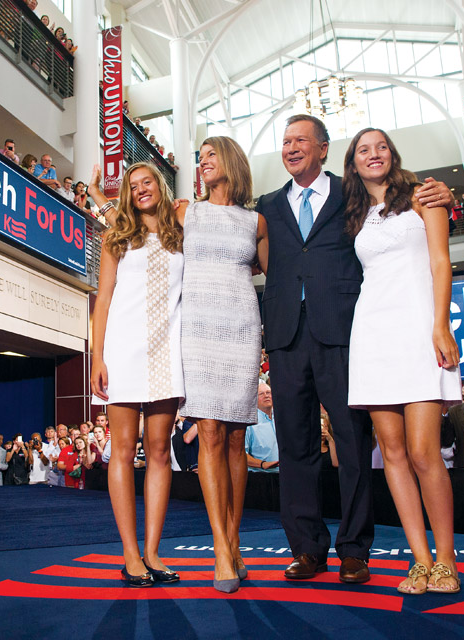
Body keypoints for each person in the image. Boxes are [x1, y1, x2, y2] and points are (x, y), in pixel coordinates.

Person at [254, 114, 452, 586]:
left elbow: (417, 216)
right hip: (285, 336)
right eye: (285, 141)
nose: (291, 147)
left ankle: (354, 550)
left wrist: (446, 194)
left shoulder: (353, 193)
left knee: (354, 443)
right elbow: (262, 257)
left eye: (302, 140)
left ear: (324, 149)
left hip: (345, 332)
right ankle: (306, 548)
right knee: (295, 446)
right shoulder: (266, 205)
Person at [343, 127, 461, 594]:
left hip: (418, 329)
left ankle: (447, 560)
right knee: (390, 452)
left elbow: (440, 263)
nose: (374, 155)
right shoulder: (354, 213)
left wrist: (441, 324)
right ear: (353, 163)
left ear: (392, 154)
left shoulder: (424, 195)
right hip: (372, 333)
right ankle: (420, 560)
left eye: (381, 147)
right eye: (363, 150)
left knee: (422, 451)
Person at [88, 160, 185, 588]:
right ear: (126, 195)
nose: (142, 189)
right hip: (124, 351)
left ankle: (153, 552)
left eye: (149, 182)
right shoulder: (116, 238)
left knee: (160, 452)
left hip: (168, 350)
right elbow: (103, 302)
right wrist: (98, 357)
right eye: (134, 186)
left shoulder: (181, 228)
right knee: (124, 451)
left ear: (160, 187)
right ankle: (129, 555)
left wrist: (99, 199)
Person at [179, 136, 268, 593]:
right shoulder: (185, 211)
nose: (204, 162)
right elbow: (134, 219)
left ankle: (234, 541)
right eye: (200, 158)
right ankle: (220, 548)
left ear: (231, 160)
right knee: (210, 434)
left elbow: (279, 275)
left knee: (236, 441)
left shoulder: (256, 221)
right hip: (195, 330)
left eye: (211, 154)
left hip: (239, 327)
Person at [246, 383, 279, 472]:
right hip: (260, 476)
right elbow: (240, 454)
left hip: (284, 475)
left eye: (268, 393)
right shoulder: (249, 423)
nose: (266, 396)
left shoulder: (281, 419)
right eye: (261, 394)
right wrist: (262, 464)